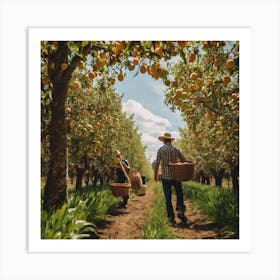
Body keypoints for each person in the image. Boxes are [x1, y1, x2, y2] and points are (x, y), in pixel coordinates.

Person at [153, 132, 188, 226]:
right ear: (170, 140)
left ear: (164, 140)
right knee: (179, 193)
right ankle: (180, 209)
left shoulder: (161, 149)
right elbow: (184, 160)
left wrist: (155, 176)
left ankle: (171, 217)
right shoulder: (176, 149)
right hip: (177, 176)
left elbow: (157, 163)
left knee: (167, 197)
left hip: (165, 176)